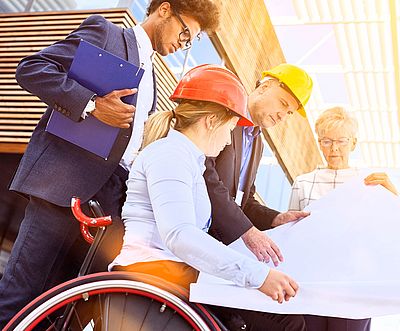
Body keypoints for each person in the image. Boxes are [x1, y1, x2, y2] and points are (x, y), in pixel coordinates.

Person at [0, 1, 221, 327]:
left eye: (190, 42)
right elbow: (32, 68)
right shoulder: (106, 33)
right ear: (163, 10)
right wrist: (91, 104)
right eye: (185, 32)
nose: (182, 44)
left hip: (104, 206)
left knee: (57, 308)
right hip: (63, 190)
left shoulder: (152, 79)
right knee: (21, 296)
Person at [111, 64, 306, 331]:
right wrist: (259, 275)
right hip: (156, 272)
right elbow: (180, 234)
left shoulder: (187, 160)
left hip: (178, 271)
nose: (228, 141)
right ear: (212, 121)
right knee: (283, 320)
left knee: (283, 317)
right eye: (230, 129)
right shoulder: (170, 155)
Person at [288, 106, 398, 331]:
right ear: (319, 143)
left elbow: (389, 229)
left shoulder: (370, 182)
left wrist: (393, 194)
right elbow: (290, 234)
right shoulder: (303, 183)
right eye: (326, 141)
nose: (334, 149)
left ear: (354, 143)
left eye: (342, 141)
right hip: (312, 282)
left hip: (354, 285)